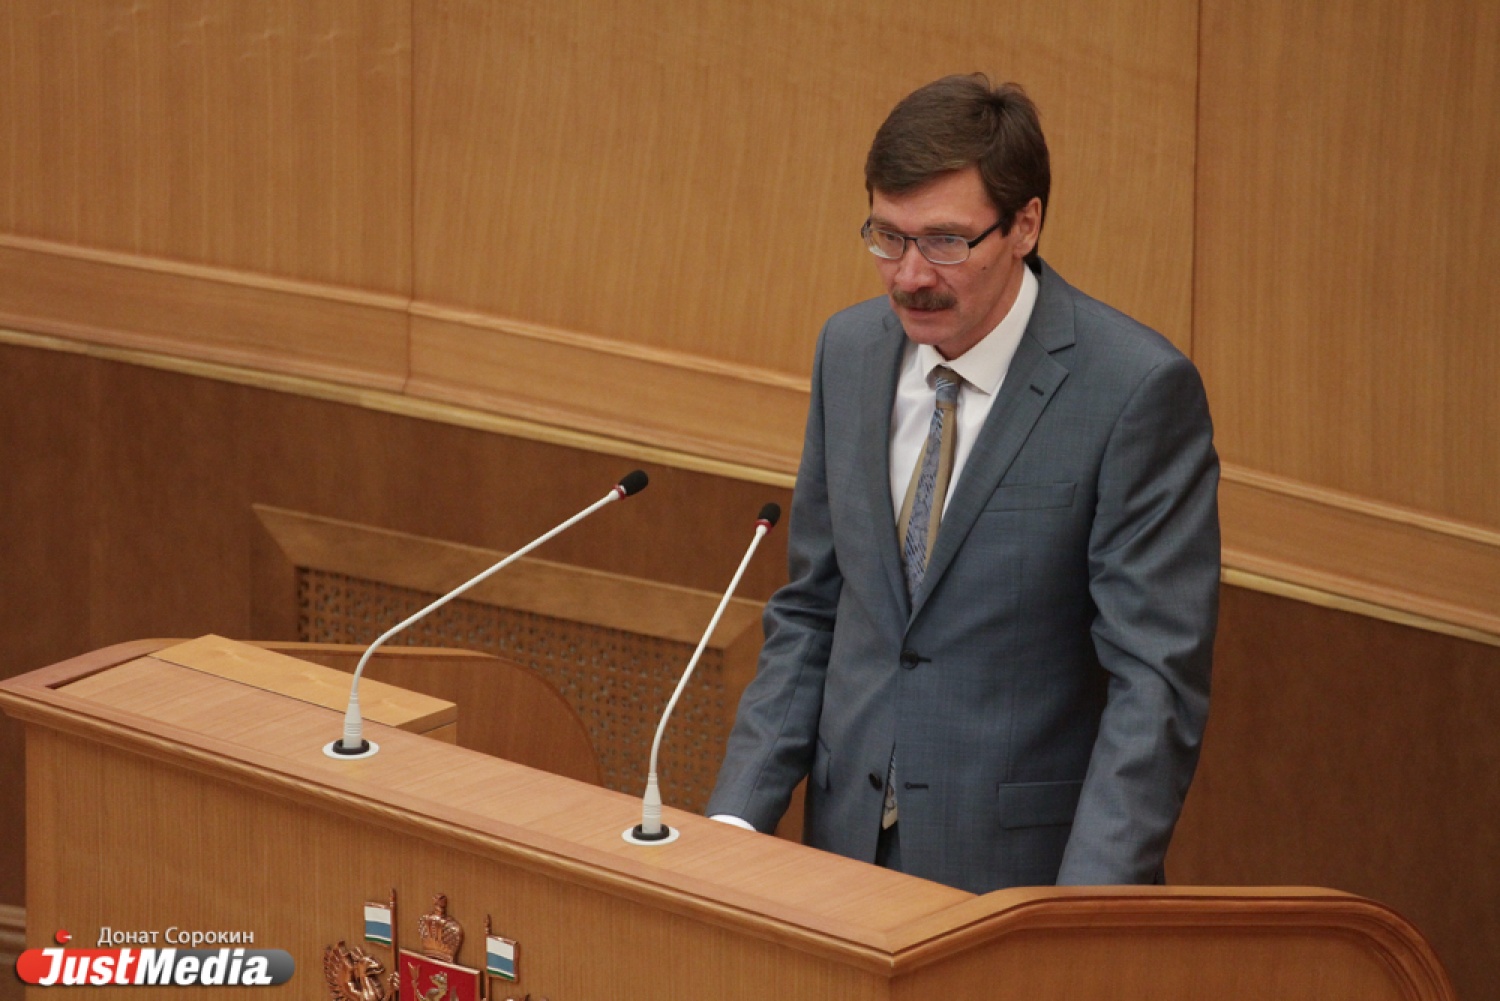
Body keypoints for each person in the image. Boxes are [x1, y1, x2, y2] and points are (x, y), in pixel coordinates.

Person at [706, 74, 1220, 895]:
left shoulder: (1133, 391)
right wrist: (736, 820)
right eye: (888, 236)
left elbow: (1152, 684)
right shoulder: (849, 352)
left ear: (1025, 224)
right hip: (841, 860)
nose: (910, 275)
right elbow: (813, 609)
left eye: (945, 241)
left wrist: (1079, 916)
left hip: (1020, 885)